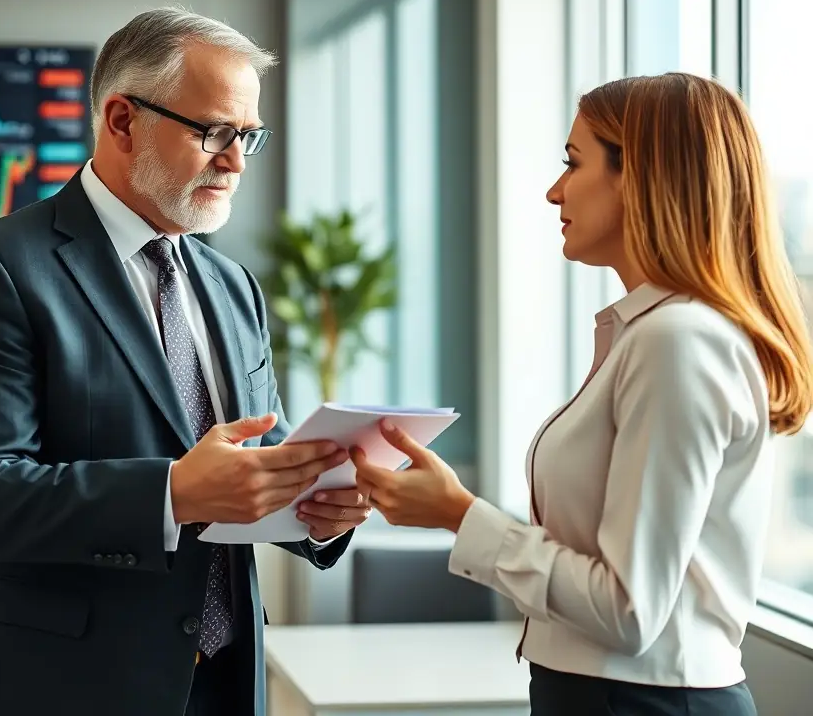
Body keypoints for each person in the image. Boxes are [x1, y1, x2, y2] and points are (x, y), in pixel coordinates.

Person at [0, 7, 372, 716]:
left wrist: (317, 508)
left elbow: (257, 456)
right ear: (123, 120)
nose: (236, 161)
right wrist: (173, 493)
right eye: (215, 132)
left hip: (225, 681)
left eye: (248, 136)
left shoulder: (232, 286)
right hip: (63, 687)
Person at [346, 72, 813, 716]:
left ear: (641, 178)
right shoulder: (651, 334)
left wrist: (459, 514)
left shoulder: (675, 341)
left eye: (573, 163)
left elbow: (627, 610)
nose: (553, 191)